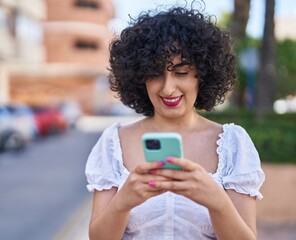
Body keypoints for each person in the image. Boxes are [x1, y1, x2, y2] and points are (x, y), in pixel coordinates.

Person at [85, 2, 265, 239]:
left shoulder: (233, 144)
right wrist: (123, 201)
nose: (168, 88)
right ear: (139, 77)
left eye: (181, 73)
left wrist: (217, 201)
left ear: (202, 76)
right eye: (155, 74)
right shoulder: (113, 143)